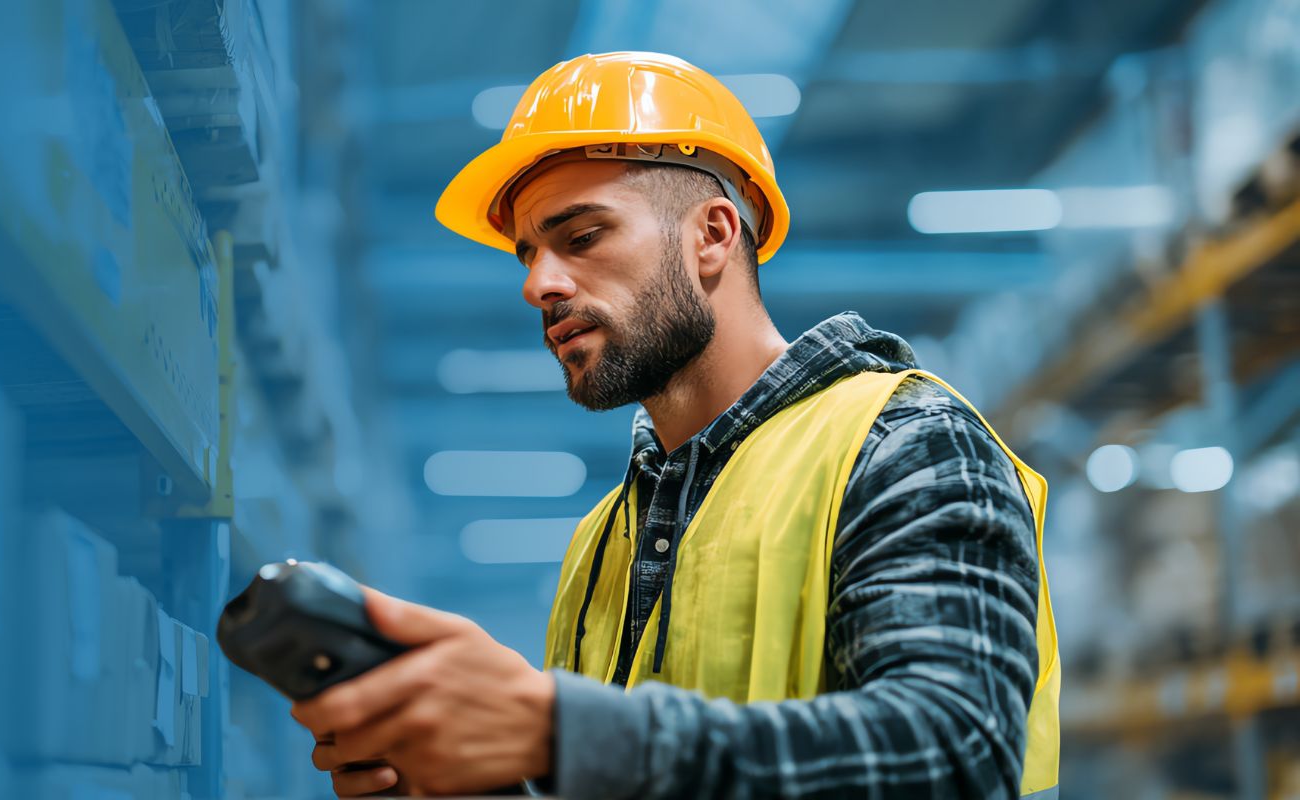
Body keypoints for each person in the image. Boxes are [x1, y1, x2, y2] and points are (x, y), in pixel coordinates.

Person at [291, 51, 1060, 799]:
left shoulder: (904, 443)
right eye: (527, 254)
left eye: (581, 237)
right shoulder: (601, 541)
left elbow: (956, 754)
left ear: (714, 236)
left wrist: (561, 733)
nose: (537, 284)